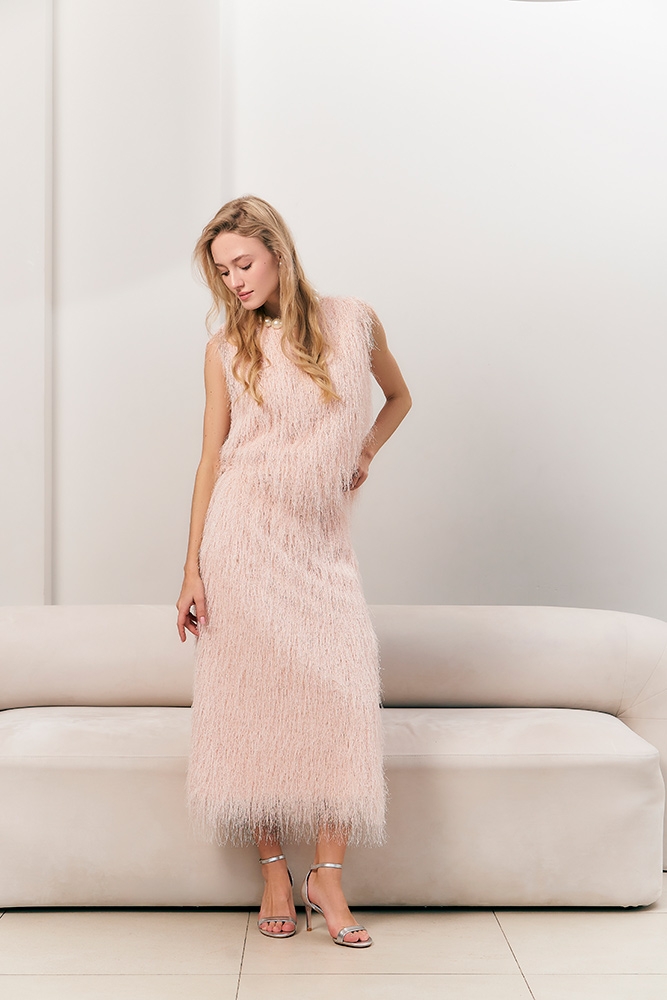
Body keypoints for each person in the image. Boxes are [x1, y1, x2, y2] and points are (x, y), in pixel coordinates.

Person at [176, 195, 412, 947]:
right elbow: (210, 460)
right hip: (241, 539)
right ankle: (275, 869)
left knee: (345, 690)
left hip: (320, 545)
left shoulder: (352, 320)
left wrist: (364, 450)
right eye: (223, 272)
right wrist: (191, 569)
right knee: (251, 703)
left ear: (277, 250)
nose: (235, 281)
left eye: (244, 263)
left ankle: (327, 877)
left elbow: (399, 397)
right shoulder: (226, 347)